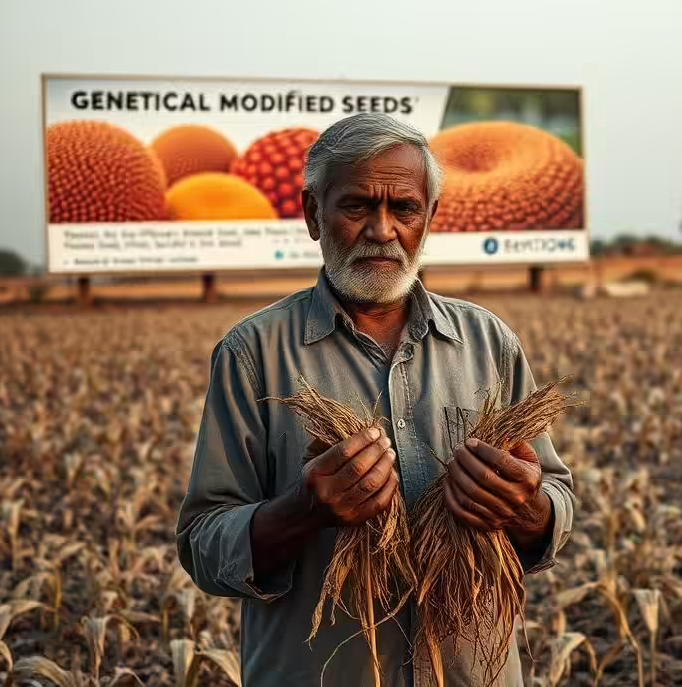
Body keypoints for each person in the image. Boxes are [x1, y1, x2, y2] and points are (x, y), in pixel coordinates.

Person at [176, 113, 576, 686]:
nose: (382, 230)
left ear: (429, 219)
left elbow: (554, 504)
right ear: (315, 214)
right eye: (357, 206)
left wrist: (526, 506)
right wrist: (302, 512)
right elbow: (202, 544)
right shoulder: (252, 354)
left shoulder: (489, 342)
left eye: (404, 209)